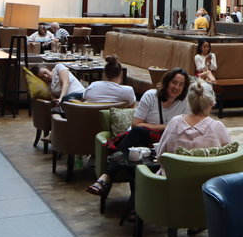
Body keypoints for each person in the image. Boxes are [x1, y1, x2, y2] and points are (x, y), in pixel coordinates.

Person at [87, 68, 191, 196]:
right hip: (139, 140)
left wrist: (164, 128)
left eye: (181, 85)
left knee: (136, 163)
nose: (177, 87)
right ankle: (133, 204)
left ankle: (106, 177)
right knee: (139, 132)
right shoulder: (151, 96)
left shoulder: (185, 102)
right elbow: (136, 124)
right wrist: (166, 126)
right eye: (174, 82)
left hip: (162, 142)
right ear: (167, 82)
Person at [155, 80, 231, 158]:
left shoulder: (175, 122)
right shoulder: (217, 127)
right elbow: (230, 157)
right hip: (210, 170)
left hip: (177, 170)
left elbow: (160, 156)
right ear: (212, 102)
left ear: (188, 100)